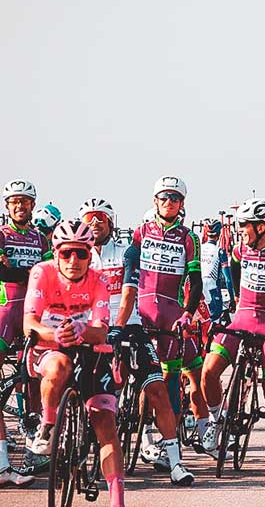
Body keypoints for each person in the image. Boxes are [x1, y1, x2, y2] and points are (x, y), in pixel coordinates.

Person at [78, 198, 194, 484]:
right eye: (89, 219)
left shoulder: (127, 251)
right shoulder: (75, 255)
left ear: (110, 222)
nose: (95, 224)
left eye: (101, 219)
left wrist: (118, 327)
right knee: (92, 394)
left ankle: (176, 463)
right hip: (92, 329)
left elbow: (130, 293)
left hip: (127, 325)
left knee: (157, 389)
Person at [23, 220, 125, 506]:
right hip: (49, 346)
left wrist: (82, 331)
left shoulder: (99, 281)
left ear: (90, 256)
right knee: (58, 367)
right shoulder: (41, 273)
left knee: (105, 423)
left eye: (81, 254)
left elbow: (101, 329)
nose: (73, 260)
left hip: (89, 348)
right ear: (56, 253)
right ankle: (48, 425)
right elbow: (28, 323)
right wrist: (54, 333)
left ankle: (118, 500)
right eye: (67, 253)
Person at [200, 199, 265, 475]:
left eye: (245, 226)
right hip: (242, 317)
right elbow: (232, 265)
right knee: (209, 371)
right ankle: (217, 420)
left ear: (262, 226)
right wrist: (235, 298)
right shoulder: (240, 248)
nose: (241, 230)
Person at [122, 176, 210, 460]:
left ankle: (167, 440)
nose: (168, 202)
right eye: (163, 197)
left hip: (171, 311)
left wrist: (187, 313)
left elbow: (195, 281)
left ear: (181, 204)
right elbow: (129, 272)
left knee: (169, 377)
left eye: (174, 198)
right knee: (135, 374)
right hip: (141, 309)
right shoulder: (140, 232)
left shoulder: (188, 237)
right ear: (155, 201)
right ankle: (144, 435)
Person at [0, 179, 52, 485]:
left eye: (25, 201)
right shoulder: (1, 235)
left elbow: (47, 276)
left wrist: (17, 270)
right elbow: (3, 273)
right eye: (14, 201)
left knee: (34, 378)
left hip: (34, 314)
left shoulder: (41, 240)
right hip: (5, 313)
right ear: (7, 207)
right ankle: (3, 459)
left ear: (33, 206)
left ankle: (35, 449)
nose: (20, 206)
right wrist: (25, 272)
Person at [199, 219, 234, 324]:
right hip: (213, 291)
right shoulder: (220, 251)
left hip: (198, 292)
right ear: (219, 234)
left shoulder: (200, 248)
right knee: (213, 325)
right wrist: (232, 299)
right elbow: (228, 280)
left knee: (200, 325)